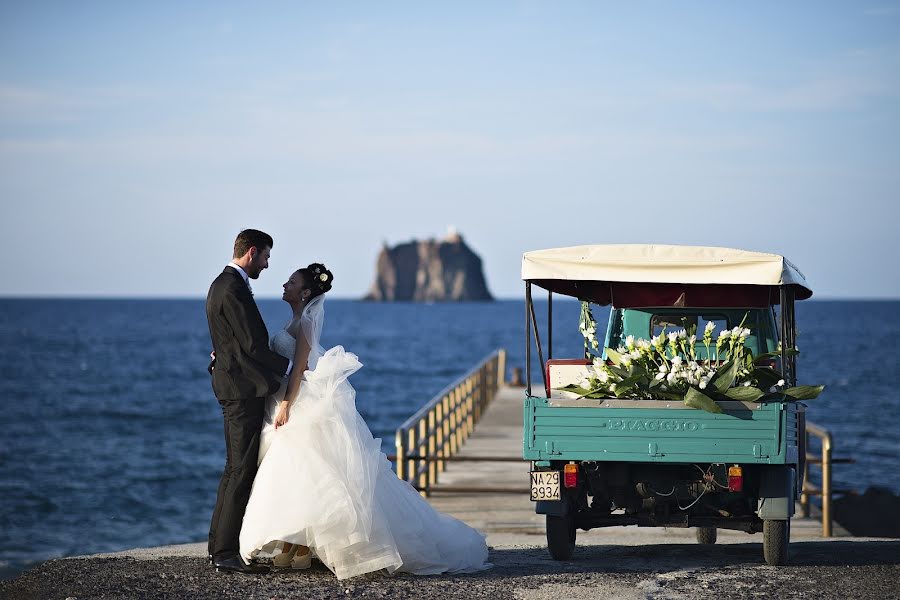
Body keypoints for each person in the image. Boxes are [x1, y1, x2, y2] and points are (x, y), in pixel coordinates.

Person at [239, 263, 491, 580]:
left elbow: (300, 368)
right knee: (304, 471)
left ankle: (301, 545)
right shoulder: (296, 321)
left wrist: (287, 404)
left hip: (298, 402)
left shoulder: (304, 323)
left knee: (305, 469)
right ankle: (297, 544)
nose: (284, 285)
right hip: (289, 400)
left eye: (291, 282)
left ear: (305, 293)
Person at [206, 229, 292, 574]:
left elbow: (227, 342)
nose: (268, 265)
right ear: (252, 252)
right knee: (241, 470)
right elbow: (252, 346)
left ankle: (219, 548)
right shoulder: (234, 288)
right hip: (242, 391)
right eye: (267, 257)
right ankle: (225, 554)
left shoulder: (220, 285)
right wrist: (294, 370)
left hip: (234, 385)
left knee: (233, 469)